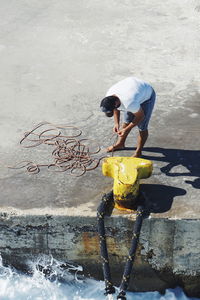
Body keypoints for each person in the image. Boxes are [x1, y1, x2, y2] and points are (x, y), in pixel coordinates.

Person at [100, 76, 156, 157]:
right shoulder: (109, 96)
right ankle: (120, 144)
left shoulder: (129, 103)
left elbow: (140, 116)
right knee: (126, 121)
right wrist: (116, 124)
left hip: (147, 95)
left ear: (116, 103)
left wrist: (126, 129)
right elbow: (115, 109)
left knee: (142, 127)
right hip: (133, 90)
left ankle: (138, 152)